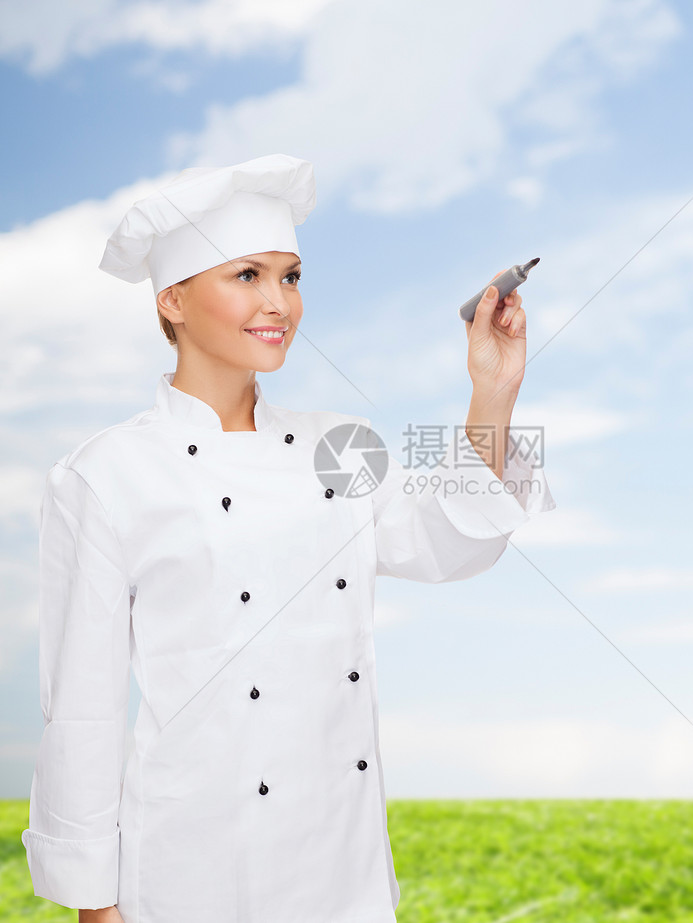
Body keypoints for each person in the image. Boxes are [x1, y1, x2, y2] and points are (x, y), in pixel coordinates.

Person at [20, 153, 556, 923]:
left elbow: (454, 542)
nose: (280, 302)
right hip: (184, 874)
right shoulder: (102, 476)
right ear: (172, 299)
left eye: (291, 276)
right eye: (247, 276)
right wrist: (95, 906)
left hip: (344, 873)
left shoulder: (337, 443)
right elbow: (82, 710)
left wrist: (493, 388)